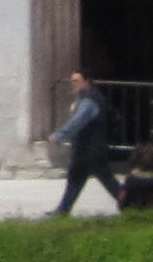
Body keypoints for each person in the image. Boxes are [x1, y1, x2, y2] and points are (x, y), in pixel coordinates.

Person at [47, 70, 115, 216]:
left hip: (92, 149)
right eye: (72, 81)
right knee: (75, 179)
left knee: (107, 180)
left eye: (76, 81)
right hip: (84, 149)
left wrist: (59, 135)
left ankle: (131, 205)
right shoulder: (84, 98)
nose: (73, 84)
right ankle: (63, 210)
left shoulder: (89, 100)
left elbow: (78, 121)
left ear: (86, 81)